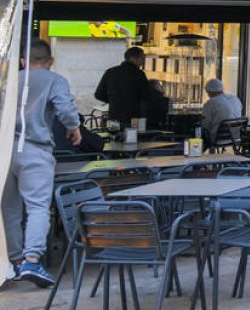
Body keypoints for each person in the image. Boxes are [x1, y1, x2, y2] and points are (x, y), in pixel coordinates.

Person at [3, 40, 81, 287]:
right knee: (37, 206)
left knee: (9, 209)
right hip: (35, 151)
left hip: (4, 151)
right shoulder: (54, 80)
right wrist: (73, 127)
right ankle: (32, 259)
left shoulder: (10, 79)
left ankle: (14, 262)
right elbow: (66, 111)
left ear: (24, 60)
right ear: (50, 60)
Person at [94, 46, 152, 127]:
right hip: (133, 118)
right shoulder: (139, 74)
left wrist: (113, 101)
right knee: (132, 138)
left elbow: (98, 94)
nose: (143, 62)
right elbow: (146, 96)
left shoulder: (110, 72)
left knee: (114, 137)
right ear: (133, 58)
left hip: (114, 116)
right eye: (141, 58)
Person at [200, 78, 243, 144]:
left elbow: (204, 124)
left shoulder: (211, 103)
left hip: (218, 138)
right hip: (236, 137)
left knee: (197, 132)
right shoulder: (235, 99)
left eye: (207, 92)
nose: (208, 94)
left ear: (210, 91)